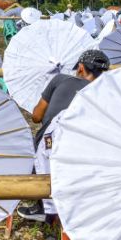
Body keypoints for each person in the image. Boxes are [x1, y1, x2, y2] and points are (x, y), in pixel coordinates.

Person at [17, 49, 111, 223]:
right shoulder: (105, 92)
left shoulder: (60, 79)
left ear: (81, 68)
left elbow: (36, 117)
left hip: (49, 150)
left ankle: (42, 207)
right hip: (86, 154)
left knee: (37, 148)